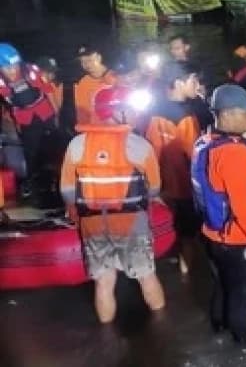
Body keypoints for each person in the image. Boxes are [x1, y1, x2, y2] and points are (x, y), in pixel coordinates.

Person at [59, 85, 165, 323]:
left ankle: (106, 340)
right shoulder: (139, 145)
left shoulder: (76, 144)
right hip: (131, 224)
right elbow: (155, 187)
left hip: (93, 225)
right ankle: (164, 335)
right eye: (130, 108)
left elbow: (67, 191)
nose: (136, 114)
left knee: (104, 284)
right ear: (117, 111)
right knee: (146, 277)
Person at [191, 84, 246, 344]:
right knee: (240, 296)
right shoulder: (235, 153)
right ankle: (243, 348)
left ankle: (217, 330)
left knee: (223, 286)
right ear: (227, 115)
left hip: (213, 233)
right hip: (236, 238)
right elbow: (243, 208)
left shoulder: (206, 141)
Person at [142, 62, 201, 275]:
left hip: (163, 184)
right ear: (179, 83)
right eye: (193, 80)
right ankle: (187, 273)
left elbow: (150, 149)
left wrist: (153, 184)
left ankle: (169, 261)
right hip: (185, 185)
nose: (198, 85)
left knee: (167, 225)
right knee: (187, 233)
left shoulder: (155, 111)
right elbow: (194, 154)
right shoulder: (186, 116)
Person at [0, 44, 60, 197]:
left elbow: (48, 90)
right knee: (31, 153)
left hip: (45, 113)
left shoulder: (30, 70)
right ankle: (32, 183)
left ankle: (56, 180)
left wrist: (56, 113)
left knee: (51, 149)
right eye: (8, 68)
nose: (13, 71)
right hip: (25, 119)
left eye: (15, 66)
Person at [167, 35, 213, 132]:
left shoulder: (198, 65)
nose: (173, 51)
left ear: (187, 47)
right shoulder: (167, 68)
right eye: (172, 49)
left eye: (177, 48)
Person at [74, 45, 119, 126]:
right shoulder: (84, 82)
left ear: (99, 57)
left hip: (119, 128)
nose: (86, 64)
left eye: (89, 60)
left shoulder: (117, 76)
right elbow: (82, 111)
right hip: (96, 130)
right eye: (82, 61)